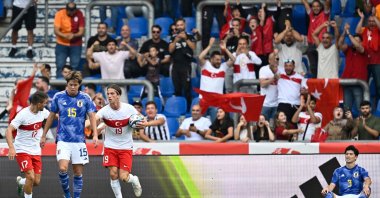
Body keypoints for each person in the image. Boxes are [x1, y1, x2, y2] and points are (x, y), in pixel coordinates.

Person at [40, 71, 98, 198]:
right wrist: (44, 134)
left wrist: (94, 134)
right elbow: (50, 117)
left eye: (75, 85)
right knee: (63, 168)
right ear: (67, 84)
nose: (73, 87)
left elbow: (92, 116)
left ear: (79, 85)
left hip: (79, 141)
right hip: (63, 139)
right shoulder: (58, 97)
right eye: (71, 84)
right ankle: (66, 194)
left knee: (77, 172)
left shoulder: (85, 98)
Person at [93, 84, 142, 197]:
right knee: (113, 174)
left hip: (125, 147)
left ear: (118, 95)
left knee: (123, 177)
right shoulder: (105, 110)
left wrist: (142, 123)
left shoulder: (129, 108)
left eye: (112, 93)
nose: (109, 96)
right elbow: (94, 118)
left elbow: (141, 119)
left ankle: (134, 180)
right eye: (108, 94)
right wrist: (89, 123)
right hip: (110, 147)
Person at [6, 91, 49, 198]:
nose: (45, 105)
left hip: (36, 150)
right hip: (22, 149)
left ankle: (22, 182)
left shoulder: (43, 112)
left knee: (36, 181)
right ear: (38, 103)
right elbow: (8, 130)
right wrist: (11, 148)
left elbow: (54, 116)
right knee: (30, 177)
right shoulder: (23, 114)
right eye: (44, 103)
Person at [198, 37, 235, 121]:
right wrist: (210, 46)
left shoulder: (223, 67)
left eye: (220, 59)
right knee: (201, 123)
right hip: (203, 100)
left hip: (216, 101)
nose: (219, 61)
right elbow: (200, 57)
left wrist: (225, 50)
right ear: (211, 59)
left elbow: (233, 59)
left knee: (216, 124)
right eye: (217, 59)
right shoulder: (205, 65)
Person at [338, 23, 368, 111]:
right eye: (353, 40)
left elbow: (358, 46)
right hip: (347, 82)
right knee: (347, 108)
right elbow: (340, 44)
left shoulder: (364, 49)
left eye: (357, 40)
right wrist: (344, 32)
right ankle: (349, 124)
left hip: (358, 83)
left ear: (361, 42)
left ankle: (361, 124)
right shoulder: (349, 49)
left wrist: (349, 34)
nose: (353, 42)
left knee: (360, 108)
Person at [169, 18, 196, 107]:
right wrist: (175, 41)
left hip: (186, 65)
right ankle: (179, 107)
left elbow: (193, 48)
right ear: (176, 26)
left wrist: (186, 39)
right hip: (176, 65)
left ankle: (188, 108)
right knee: (177, 88)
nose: (180, 27)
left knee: (187, 88)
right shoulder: (173, 37)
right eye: (178, 25)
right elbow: (170, 50)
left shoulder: (190, 36)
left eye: (181, 25)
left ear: (185, 25)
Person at [54, 2, 85, 78]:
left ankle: (73, 85)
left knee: (75, 66)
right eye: (69, 10)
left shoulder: (79, 13)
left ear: (75, 10)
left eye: (73, 10)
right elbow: (56, 30)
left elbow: (81, 31)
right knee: (60, 66)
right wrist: (65, 36)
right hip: (61, 43)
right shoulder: (60, 13)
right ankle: (59, 86)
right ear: (66, 9)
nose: (71, 12)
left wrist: (73, 35)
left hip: (76, 44)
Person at [356, 9, 380, 105]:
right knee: (363, 84)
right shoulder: (365, 30)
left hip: (377, 62)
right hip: (365, 62)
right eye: (369, 21)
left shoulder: (378, 31)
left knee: (379, 85)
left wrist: (374, 16)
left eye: (373, 21)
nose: (371, 23)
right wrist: (362, 18)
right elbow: (357, 31)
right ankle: (364, 105)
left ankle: (378, 105)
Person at [301, 0, 330, 77]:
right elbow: (305, 2)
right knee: (313, 67)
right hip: (311, 44)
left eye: (317, 6)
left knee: (321, 66)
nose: (315, 8)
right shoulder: (311, 14)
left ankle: (321, 84)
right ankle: (315, 85)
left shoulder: (325, 14)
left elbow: (327, 3)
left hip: (320, 44)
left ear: (321, 7)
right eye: (314, 6)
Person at [259, 51, 280, 120]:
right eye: (273, 59)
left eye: (277, 59)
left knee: (274, 126)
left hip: (277, 104)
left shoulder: (282, 70)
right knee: (263, 125)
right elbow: (262, 84)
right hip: (265, 104)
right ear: (269, 60)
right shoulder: (264, 69)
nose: (275, 60)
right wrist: (273, 78)